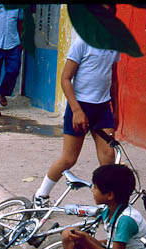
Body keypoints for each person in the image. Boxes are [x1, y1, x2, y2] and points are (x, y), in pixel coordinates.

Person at [34, 4, 120, 205]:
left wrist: (116, 110)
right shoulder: (82, 42)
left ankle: (109, 204)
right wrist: (76, 110)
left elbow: (114, 79)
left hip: (102, 108)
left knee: (109, 156)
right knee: (69, 159)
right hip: (80, 107)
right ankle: (41, 195)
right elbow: (65, 78)